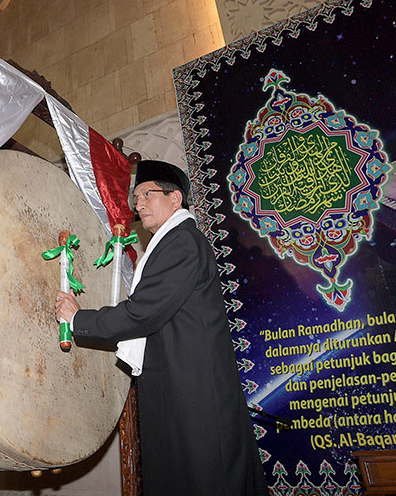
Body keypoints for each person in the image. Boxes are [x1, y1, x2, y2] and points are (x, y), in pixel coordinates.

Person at [55, 160, 267, 495]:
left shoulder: (182, 243)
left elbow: (143, 312)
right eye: (135, 197)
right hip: (177, 388)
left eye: (145, 194)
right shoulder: (170, 244)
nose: (137, 204)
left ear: (175, 199)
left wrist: (79, 318)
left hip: (192, 396)